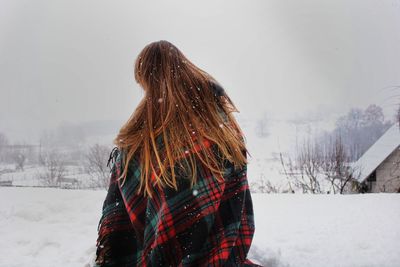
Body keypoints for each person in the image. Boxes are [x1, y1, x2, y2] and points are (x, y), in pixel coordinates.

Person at [93, 40, 262, 267]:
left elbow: (128, 181)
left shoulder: (149, 131)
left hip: (169, 254)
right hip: (222, 251)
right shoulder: (215, 113)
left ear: (147, 77)